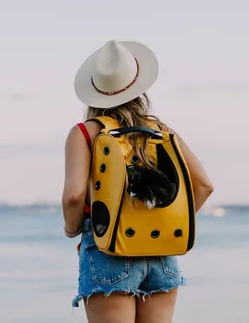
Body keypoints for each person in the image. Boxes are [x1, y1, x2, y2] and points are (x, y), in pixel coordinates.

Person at [62, 40, 214, 323]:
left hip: (109, 250)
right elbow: (204, 185)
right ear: (138, 87)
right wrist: (161, 220)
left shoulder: (85, 133)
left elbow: (74, 196)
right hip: (161, 250)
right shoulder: (160, 132)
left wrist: (72, 230)